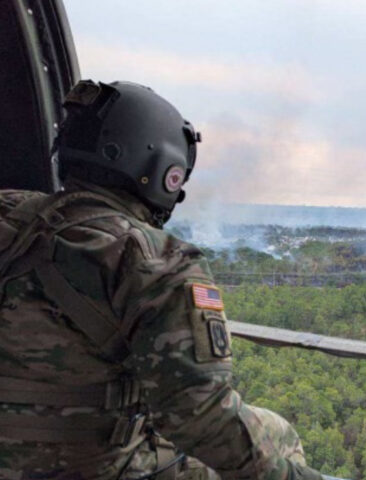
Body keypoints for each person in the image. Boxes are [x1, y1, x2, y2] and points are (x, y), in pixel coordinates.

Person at [0, 80, 323, 480]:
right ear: (161, 171)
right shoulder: (156, 261)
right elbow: (202, 417)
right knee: (277, 432)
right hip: (92, 468)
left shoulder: (9, 216)